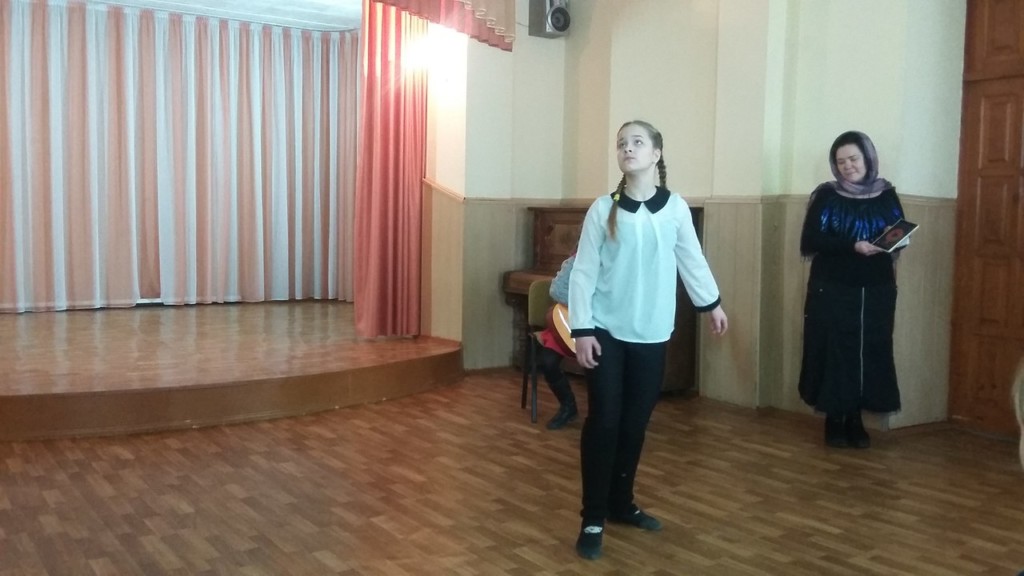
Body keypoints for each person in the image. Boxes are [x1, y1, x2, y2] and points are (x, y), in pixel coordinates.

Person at [567, 120, 728, 560]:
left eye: (637, 142)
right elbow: (584, 271)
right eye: (622, 143)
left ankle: (621, 504)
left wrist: (711, 303)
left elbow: (691, 258)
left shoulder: (674, 208)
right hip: (605, 330)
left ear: (656, 154)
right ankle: (593, 517)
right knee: (604, 421)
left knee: (635, 424)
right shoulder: (603, 208)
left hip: (652, 333)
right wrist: (582, 329)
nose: (628, 148)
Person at [798, 131, 906, 449]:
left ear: (868, 159)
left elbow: (898, 233)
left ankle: (856, 418)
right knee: (834, 350)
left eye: (853, 159)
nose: (848, 166)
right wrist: (852, 246)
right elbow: (810, 240)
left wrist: (894, 240)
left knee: (869, 351)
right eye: (841, 161)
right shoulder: (826, 196)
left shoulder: (887, 195)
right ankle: (834, 418)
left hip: (876, 287)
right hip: (832, 286)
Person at [534, 254, 578, 430]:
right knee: (548, 361)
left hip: (601, 325)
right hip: (569, 321)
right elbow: (557, 290)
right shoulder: (575, 260)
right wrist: (582, 304)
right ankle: (568, 406)